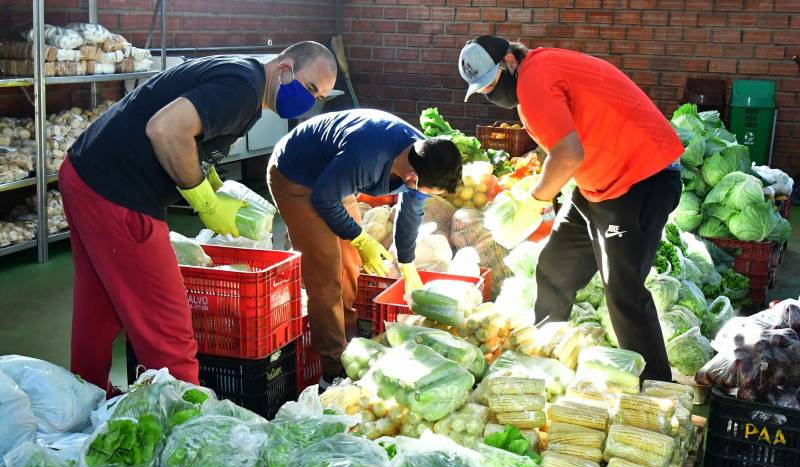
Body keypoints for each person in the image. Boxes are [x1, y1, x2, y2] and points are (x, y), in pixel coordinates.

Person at [61, 41, 337, 395]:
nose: (309, 101)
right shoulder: (243, 90)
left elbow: (195, 137)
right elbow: (166, 129)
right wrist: (205, 202)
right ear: (284, 68)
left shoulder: (246, 75)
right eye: (310, 88)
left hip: (84, 173)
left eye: (319, 97)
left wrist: (211, 180)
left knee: (98, 303)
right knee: (167, 322)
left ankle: (85, 394)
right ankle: (187, 424)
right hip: (119, 192)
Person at [459, 36, 684, 381]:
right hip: (598, 184)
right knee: (555, 268)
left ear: (509, 60)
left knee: (623, 292)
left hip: (637, 181)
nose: (491, 92)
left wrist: (534, 201)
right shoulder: (539, 69)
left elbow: (568, 154)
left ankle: (655, 389)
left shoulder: (535, 80)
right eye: (483, 88)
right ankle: (546, 352)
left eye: (492, 81)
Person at [267, 109, 463, 389]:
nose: (422, 197)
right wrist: (361, 239)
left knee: (349, 268)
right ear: (410, 177)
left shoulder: (424, 157)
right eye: (425, 192)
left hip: (333, 179)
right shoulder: (367, 158)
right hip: (296, 178)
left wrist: (407, 265)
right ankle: (332, 372)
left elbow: (410, 213)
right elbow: (324, 199)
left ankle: (347, 344)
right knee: (325, 277)